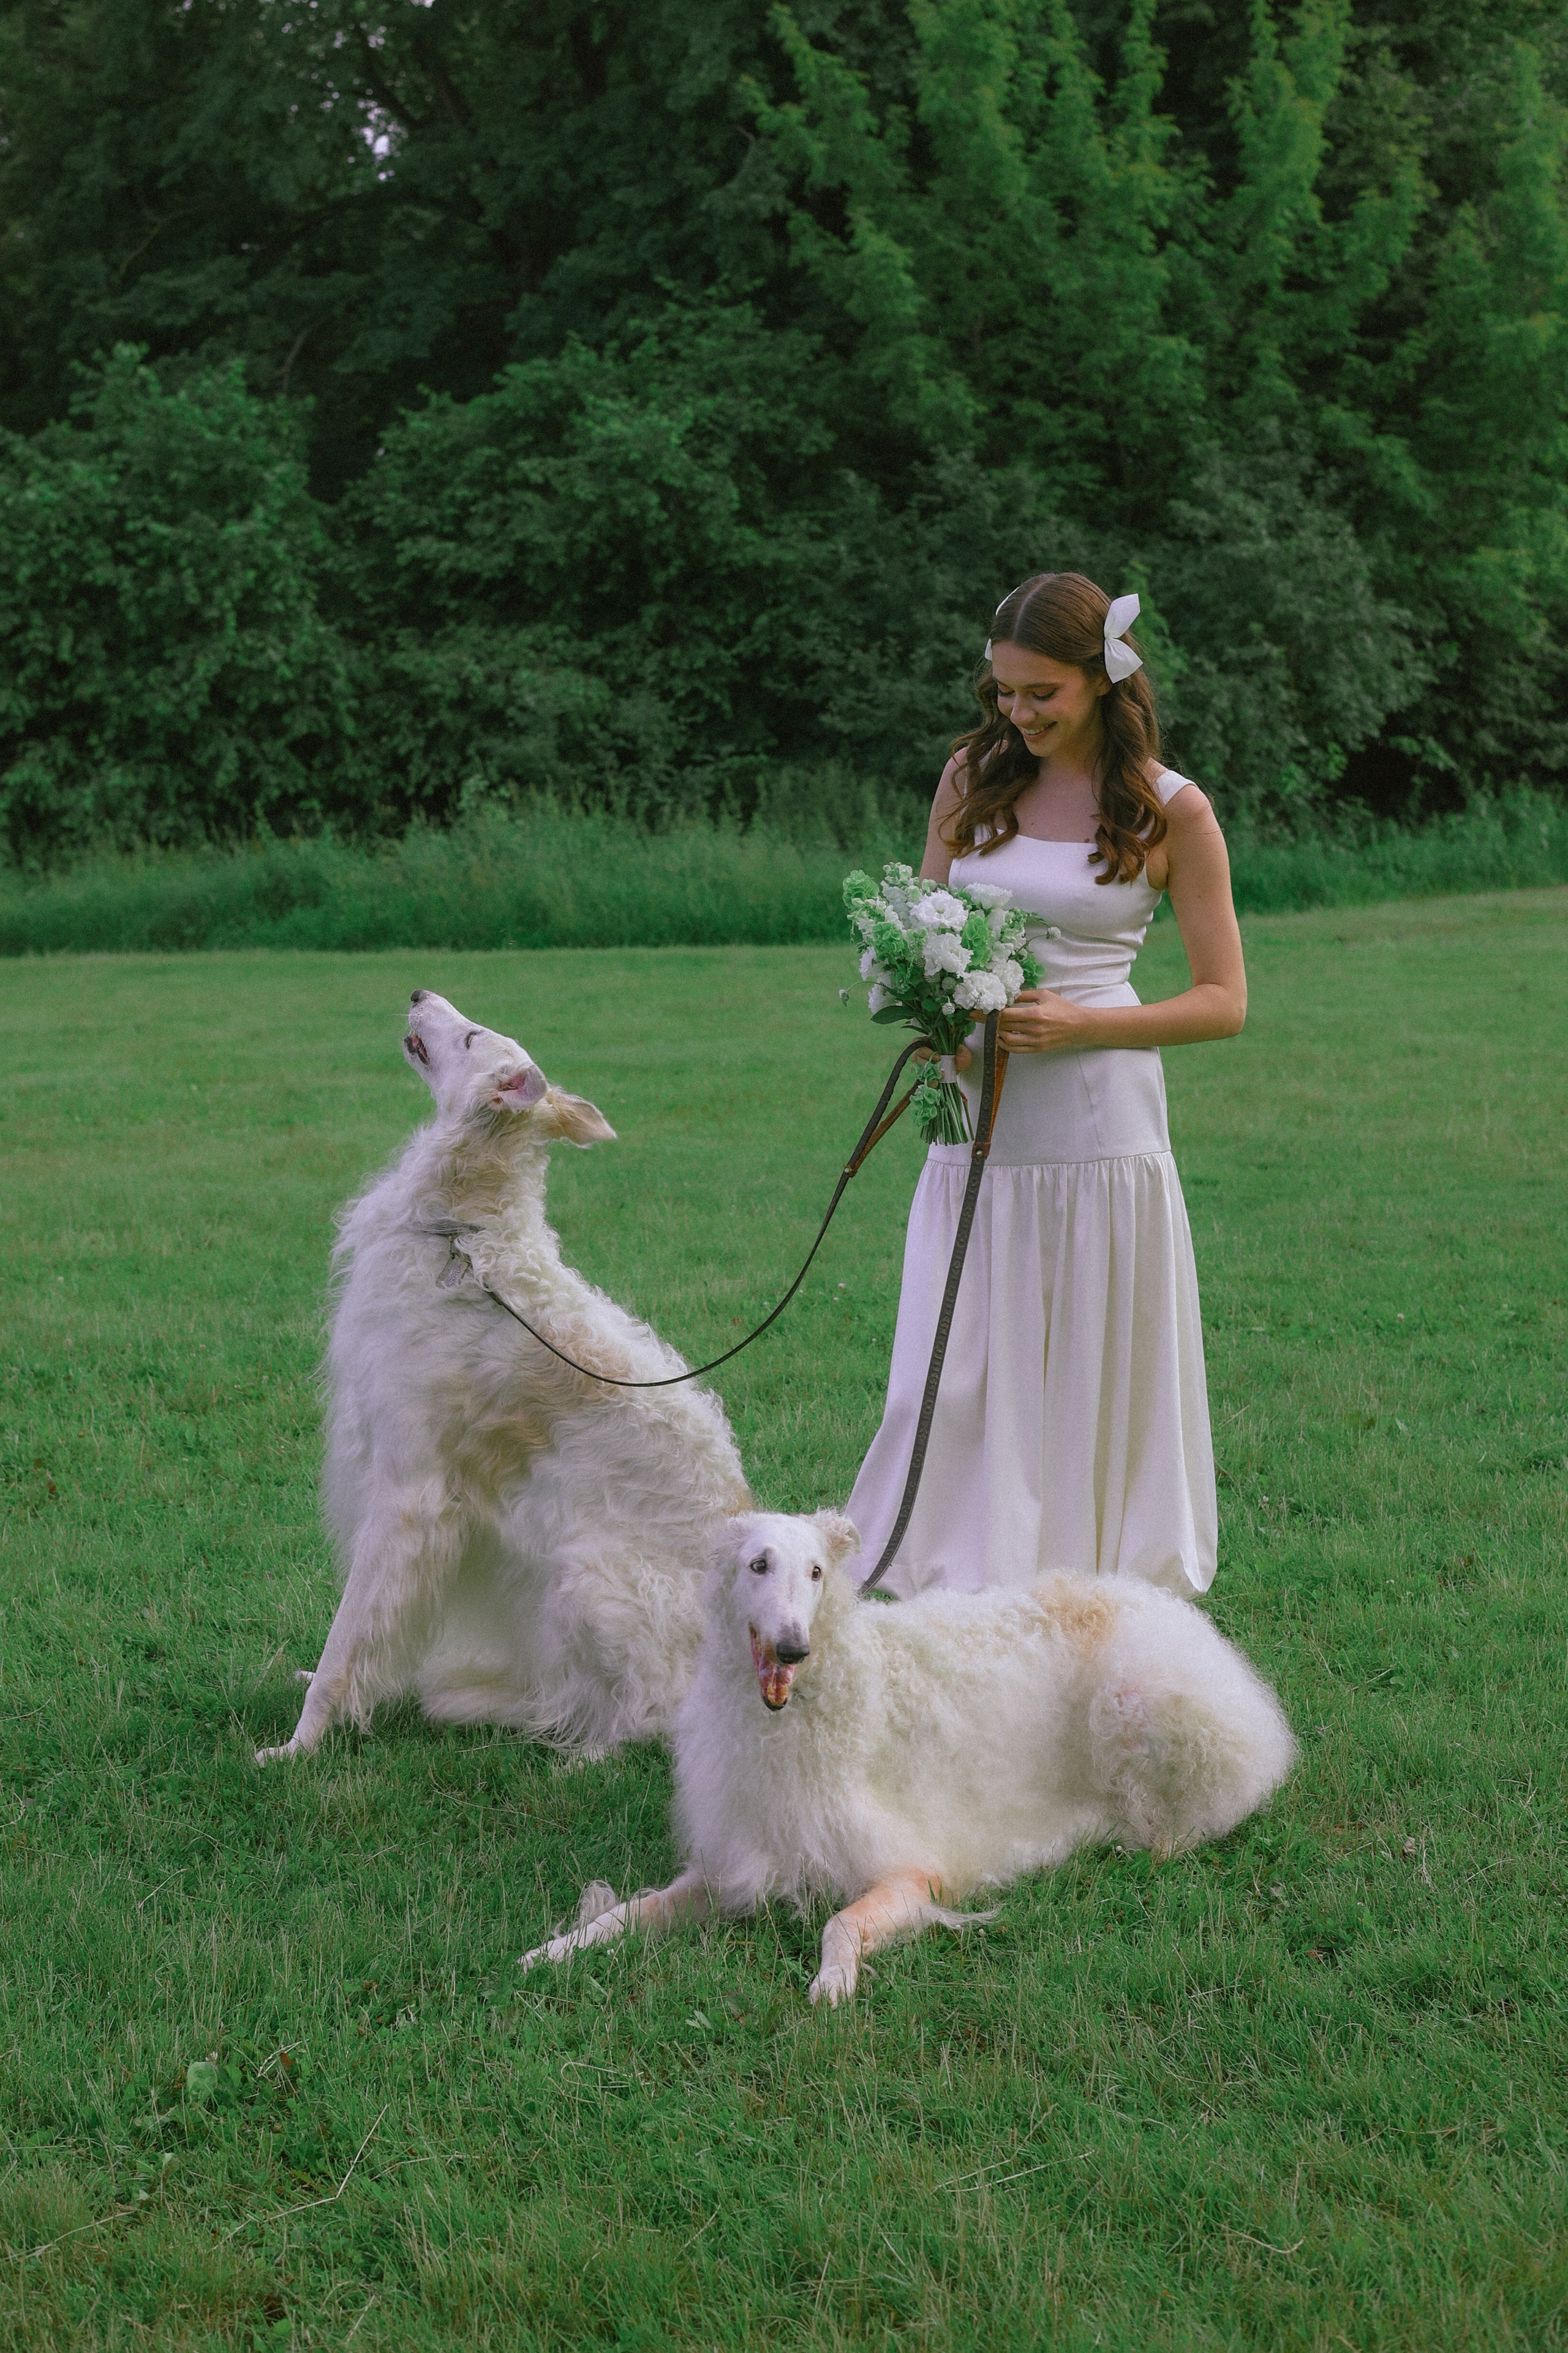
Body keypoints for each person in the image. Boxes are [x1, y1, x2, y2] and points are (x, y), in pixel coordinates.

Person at [847, 572, 1247, 1599]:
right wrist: (942, 1034)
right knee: (967, 1330)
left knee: (1084, 1345)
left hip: (1096, 1112)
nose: (1017, 714)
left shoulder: (1169, 809)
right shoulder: (970, 776)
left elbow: (1224, 1000)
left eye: (1042, 694)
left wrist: (1083, 1024)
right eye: (1005, 692)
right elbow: (918, 928)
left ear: (1103, 681)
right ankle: (950, 1545)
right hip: (978, 1098)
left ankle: (1084, 1554)